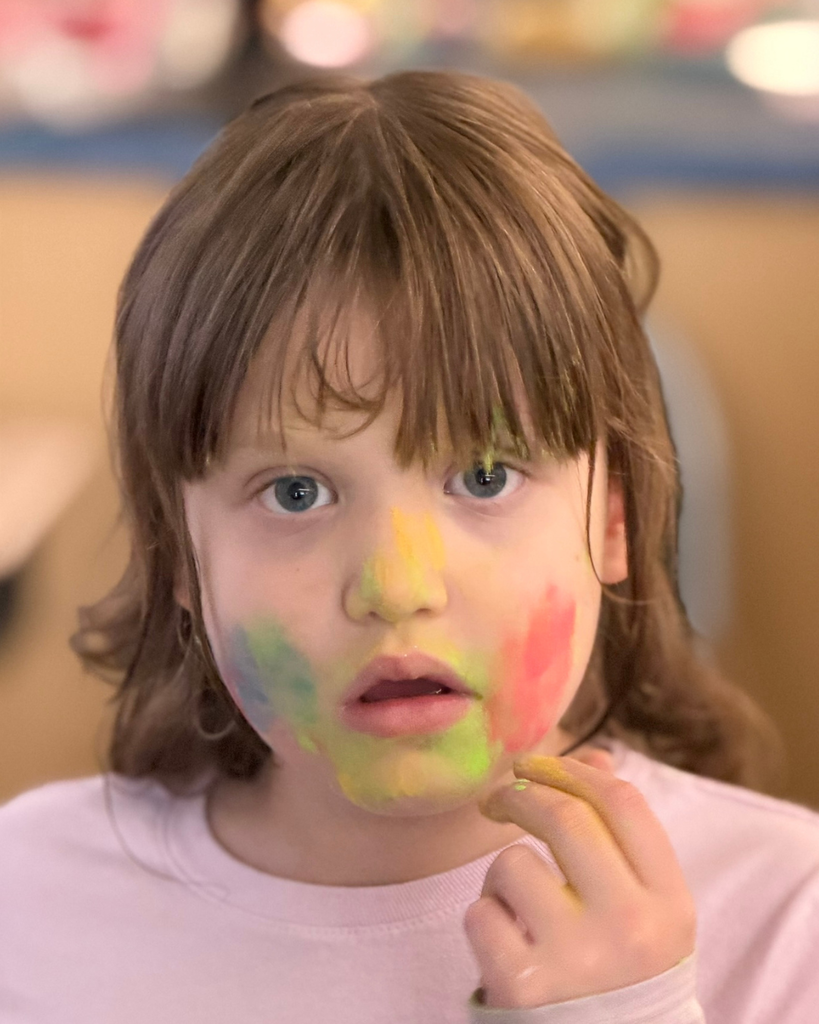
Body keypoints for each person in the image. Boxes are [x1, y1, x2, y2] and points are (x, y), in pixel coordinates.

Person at [1, 70, 817, 1024]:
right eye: (296, 492)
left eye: (486, 477)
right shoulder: (33, 901)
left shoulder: (782, 918)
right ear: (180, 557)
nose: (396, 586)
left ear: (611, 522)